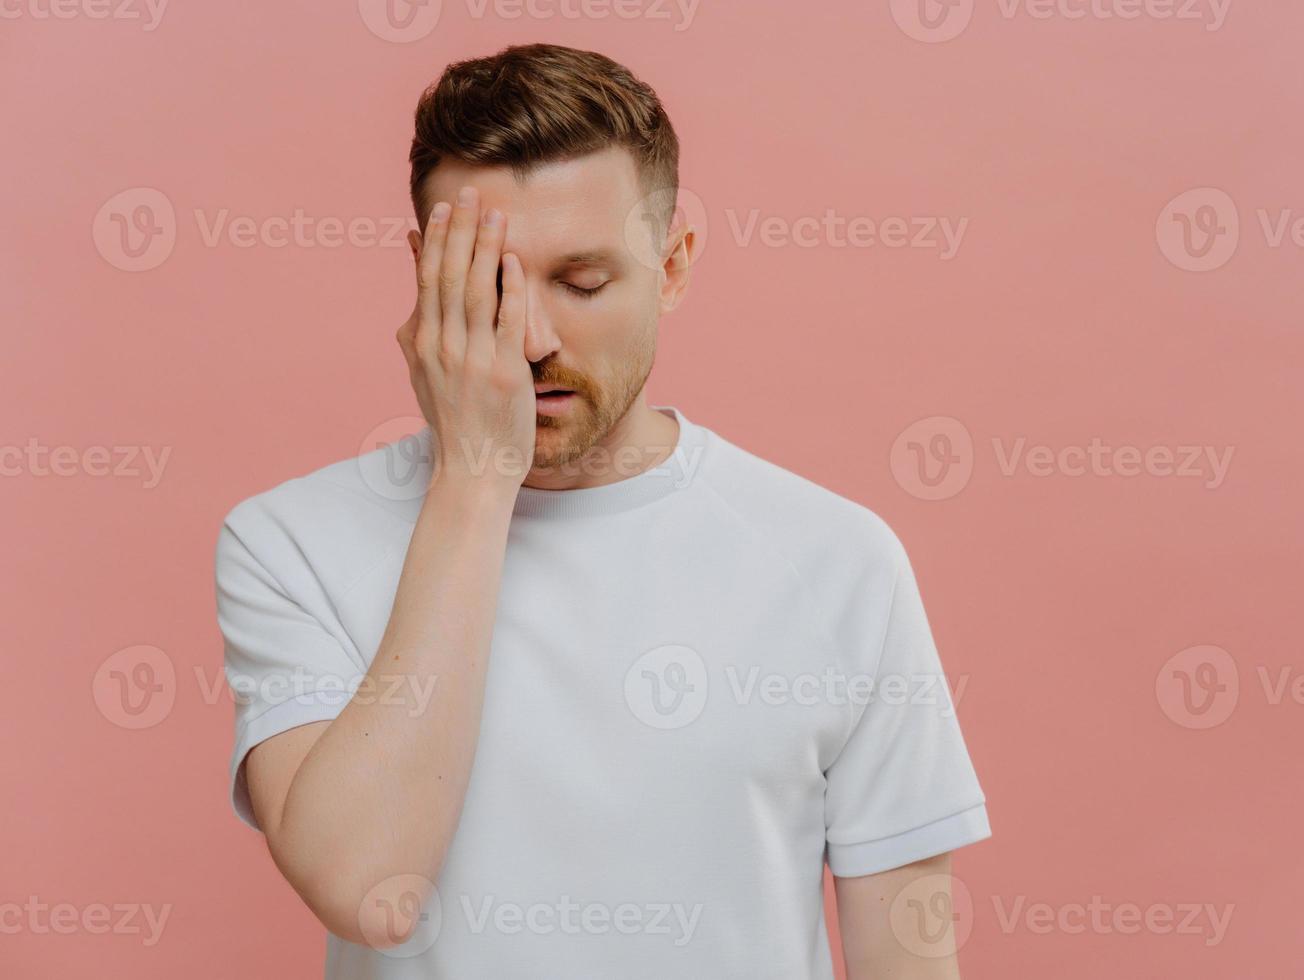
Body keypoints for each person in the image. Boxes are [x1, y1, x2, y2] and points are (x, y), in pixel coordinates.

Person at [213, 42, 991, 979]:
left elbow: (906, 956)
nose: (533, 339)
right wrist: (476, 477)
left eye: (583, 284)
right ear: (424, 274)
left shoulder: (838, 559)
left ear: (672, 267)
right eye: (488, 284)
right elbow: (366, 887)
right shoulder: (288, 545)